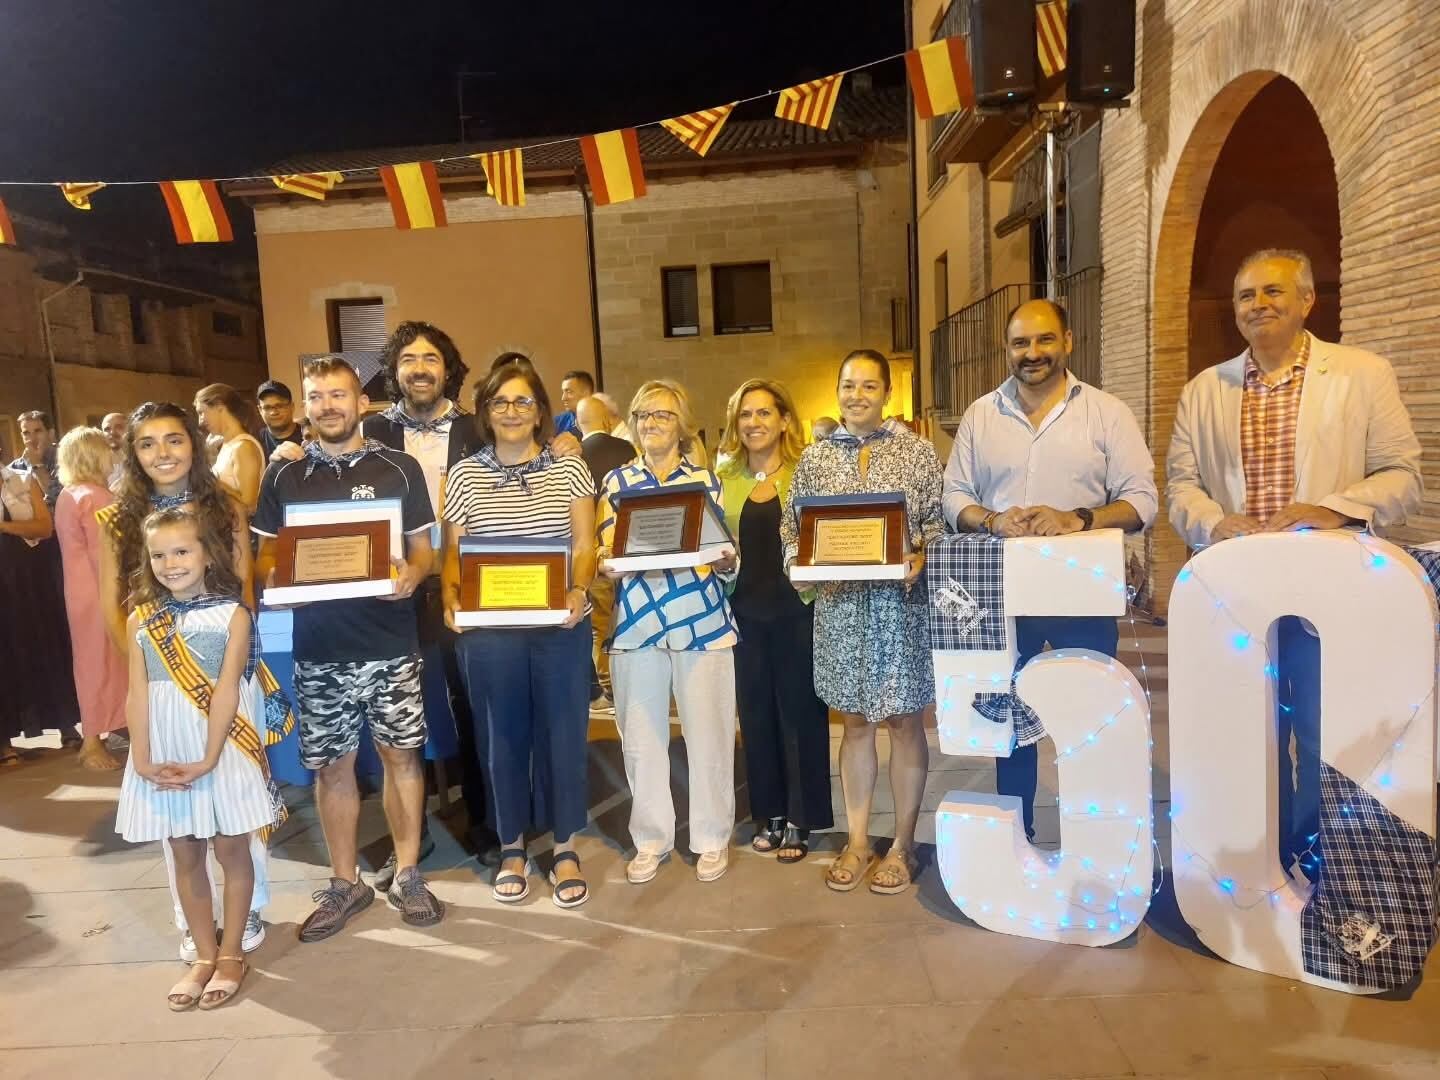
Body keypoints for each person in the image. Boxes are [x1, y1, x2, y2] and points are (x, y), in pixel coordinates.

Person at [1166, 248, 1422, 875]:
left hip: (1326, 597)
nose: (1258, 305)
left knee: (1318, 731)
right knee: (1242, 731)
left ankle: (1312, 861)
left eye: (1273, 291)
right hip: (1236, 598)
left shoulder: (1362, 374)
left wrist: (1333, 508)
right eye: (1246, 295)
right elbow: (1182, 486)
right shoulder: (1205, 389)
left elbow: (1404, 477)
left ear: (1307, 299)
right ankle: (1255, 861)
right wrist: (1213, 521)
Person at [942, 299, 1158, 841]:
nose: (1032, 352)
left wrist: (1077, 518)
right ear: (1007, 349)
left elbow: (1142, 500)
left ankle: (1095, 840)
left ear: (1068, 341)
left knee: (1086, 718)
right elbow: (954, 496)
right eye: (1020, 343)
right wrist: (992, 519)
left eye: (1044, 340)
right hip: (999, 598)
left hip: (1080, 594)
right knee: (1007, 722)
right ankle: (1019, 836)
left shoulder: (1106, 413)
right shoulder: (980, 415)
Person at [252, 355, 444, 937]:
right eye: (316, 396)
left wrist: (411, 576)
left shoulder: (400, 469)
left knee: (400, 757)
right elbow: (265, 556)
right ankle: (345, 883)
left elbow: (424, 551)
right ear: (305, 406)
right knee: (331, 768)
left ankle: (407, 874)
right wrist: (275, 579)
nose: (327, 406)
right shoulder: (283, 476)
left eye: (338, 395)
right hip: (319, 648)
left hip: (390, 643)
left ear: (361, 402)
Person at [99, 401, 271, 960]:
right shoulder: (118, 518)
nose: (162, 453)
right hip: (160, 676)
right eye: (147, 443)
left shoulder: (225, 505)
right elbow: (111, 601)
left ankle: (249, 911)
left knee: (237, 799)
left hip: (226, 667)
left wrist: (235, 666)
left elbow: (244, 588)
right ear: (133, 453)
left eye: (173, 439)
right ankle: (191, 921)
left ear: (193, 444)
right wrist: (155, 669)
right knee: (176, 803)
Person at [782, 349, 943, 895]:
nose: (857, 396)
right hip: (842, 610)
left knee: (905, 723)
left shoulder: (918, 453)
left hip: (901, 610)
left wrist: (924, 556)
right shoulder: (815, 458)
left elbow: (936, 522)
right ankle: (856, 842)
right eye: (848, 385)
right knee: (853, 724)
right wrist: (797, 565)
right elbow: (792, 529)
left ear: (887, 393)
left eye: (869, 386)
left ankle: (902, 845)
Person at [114, 509, 285, 1011]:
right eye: (159, 555)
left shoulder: (234, 615)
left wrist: (210, 757)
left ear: (208, 554)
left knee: (232, 850)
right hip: (166, 752)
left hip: (220, 748)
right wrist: (142, 759)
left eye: (182, 551)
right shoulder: (141, 619)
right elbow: (137, 694)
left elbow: (229, 690)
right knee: (184, 853)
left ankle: (232, 954)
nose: (171, 563)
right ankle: (204, 955)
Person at [442, 362, 598, 906]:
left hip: (560, 627)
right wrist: (451, 597)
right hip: (490, 634)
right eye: (500, 402)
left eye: (523, 401)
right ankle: (512, 847)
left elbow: (584, 544)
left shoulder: (570, 468)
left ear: (540, 412)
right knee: (498, 738)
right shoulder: (463, 475)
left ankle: (564, 847)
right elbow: (453, 552)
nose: (511, 411)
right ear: (486, 412)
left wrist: (578, 589)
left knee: (563, 735)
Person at [597, 379, 740, 884]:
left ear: (682, 426)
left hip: (701, 620)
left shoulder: (705, 481)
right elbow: (606, 547)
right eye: (642, 415)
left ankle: (712, 837)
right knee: (641, 740)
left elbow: (726, 553)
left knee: (710, 736)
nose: (651, 423)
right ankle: (651, 839)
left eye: (662, 415)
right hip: (637, 622)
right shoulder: (616, 482)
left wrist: (727, 562)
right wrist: (606, 563)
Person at [363, 320, 490, 882]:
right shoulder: (371, 432)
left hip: (465, 585)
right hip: (395, 591)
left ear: (448, 370)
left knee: (474, 707)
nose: (420, 368)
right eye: (409, 359)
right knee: (395, 723)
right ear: (394, 371)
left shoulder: (477, 428)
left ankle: (488, 825)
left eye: (431, 359)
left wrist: (562, 441)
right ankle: (407, 840)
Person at [717, 379, 833, 863]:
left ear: (785, 420)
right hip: (744, 611)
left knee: (801, 716)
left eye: (764, 413)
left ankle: (803, 818)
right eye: (745, 414)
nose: (754, 423)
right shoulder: (724, 477)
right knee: (757, 716)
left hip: (797, 610)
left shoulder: (807, 471)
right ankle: (771, 815)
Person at [56, 427, 127, 770]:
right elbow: (107, 555)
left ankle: (101, 734)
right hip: (101, 591)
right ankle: (93, 741)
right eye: (107, 449)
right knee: (104, 663)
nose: (112, 455)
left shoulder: (70, 493)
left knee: (94, 662)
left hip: (79, 592)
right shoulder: (97, 497)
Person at [0, 460, 71, 765]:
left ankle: (66, 725)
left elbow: (44, 527)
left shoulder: (21, 479)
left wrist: (5, 527)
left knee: (42, 643)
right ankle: (4, 742)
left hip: (29, 579)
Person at [576, 394, 635, 714]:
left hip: (590, 554)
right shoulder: (626, 450)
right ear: (607, 420)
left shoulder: (573, 457)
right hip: (628, 549)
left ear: (578, 423)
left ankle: (605, 684)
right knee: (623, 618)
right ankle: (622, 684)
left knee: (597, 624)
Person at [195, 384, 265, 513]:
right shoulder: (227, 445)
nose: (200, 421)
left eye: (201, 413)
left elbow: (250, 507)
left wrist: (214, 483)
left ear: (219, 407)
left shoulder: (243, 448)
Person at [12, 410, 61, 506]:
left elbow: (60, 498)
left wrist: (37, 465)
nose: (32, 438)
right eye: (26, 433)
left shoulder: (67, 458)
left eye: (37, 431)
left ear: (51, 434)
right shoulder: (18, 466)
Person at [256, 381, 303, 458]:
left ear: (292, 407)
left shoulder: (308, 436)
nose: (273, 412)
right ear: (260, 410)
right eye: (267, 407)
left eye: (279, 406)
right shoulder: (255, 442)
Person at [554, 370, 594, 439]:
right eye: (563, 392)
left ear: (586, 393)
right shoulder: (558, 423)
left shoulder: (604, 419)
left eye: (569, 392)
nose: (563, 398)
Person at [102, 412, 127, 489]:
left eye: (118, 427)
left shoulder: (140, 461)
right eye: (107, 429)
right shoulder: (96, 465)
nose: (112, 432)